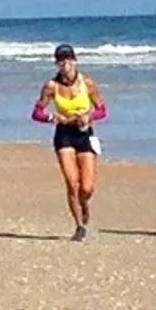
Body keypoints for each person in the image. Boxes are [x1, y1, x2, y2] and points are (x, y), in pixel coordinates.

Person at [32, 44, 108, 241]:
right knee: (72, 183)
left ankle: (84, 203)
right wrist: (52, 118)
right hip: (64, 135)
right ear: (56, 63)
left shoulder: (88, 84)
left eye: (68, 59)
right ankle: (79, 226)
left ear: (75, 61)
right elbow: (36, 113)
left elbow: (102, 110)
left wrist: (90, 116)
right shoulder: (51, 86)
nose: (65, 64)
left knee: (87, 187)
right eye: (61, 60)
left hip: (84, 133)